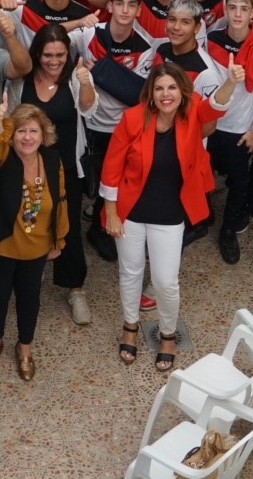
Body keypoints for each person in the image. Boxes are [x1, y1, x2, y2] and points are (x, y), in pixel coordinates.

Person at [100, 62, 240, 370]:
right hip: (131, 212)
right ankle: (130, 326)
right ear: (150, 93)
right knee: (130, 273)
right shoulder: (132, 117)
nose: (166, 94)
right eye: (160, 88)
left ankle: (167, 333)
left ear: (182, 92)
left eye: (172, 88)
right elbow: (112, 165)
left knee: (166, 282)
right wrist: (111, 212)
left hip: (170, 213)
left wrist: (230, 81)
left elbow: (216, 106)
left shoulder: (192, 112)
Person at [6, 24, 97, 322]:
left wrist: (85, 82)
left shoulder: (74, 77)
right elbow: (12, 119)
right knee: (30, 219)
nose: (54, 61)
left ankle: (76, 288)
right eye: (48, 55)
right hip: (27, 166)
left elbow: (88, 109)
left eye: (60, 55)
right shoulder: (22, 81)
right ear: (37, 53)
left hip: (66, 166)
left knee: (68, 226)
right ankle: (31, 271)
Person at [0, 99, 67, 382]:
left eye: (33, 131)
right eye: (21, 131)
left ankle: (24, 347)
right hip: (2, 244)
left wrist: (58, 240)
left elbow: (61, 200)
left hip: (37, 247)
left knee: (30, 300)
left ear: (43, 134)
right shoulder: (1, 157)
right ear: (11, 135)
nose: (27, 137)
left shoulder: (52, 159)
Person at [73, 0, 154, 259]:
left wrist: (101, 72)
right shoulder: (89, 32)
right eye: (119, 3)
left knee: (113, 181)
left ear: (139, 10)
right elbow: (53, 40)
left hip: (121, 127)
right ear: (109, 6)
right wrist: (77, 22)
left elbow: (138, 95)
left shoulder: (145, 47)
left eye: (131, 5)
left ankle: (99, 228)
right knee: (83, 179)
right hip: (86, 120)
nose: (125, 10)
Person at [203, 0, 253, 264]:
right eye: (232, 8)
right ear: (225, 9)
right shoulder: (211, 38)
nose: (237, 14)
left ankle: (228, 230)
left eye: (243, 9)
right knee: (201, 173)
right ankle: (201, 216)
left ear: (252, 14)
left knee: (239, 181)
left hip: (239, 127)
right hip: (210, 122)